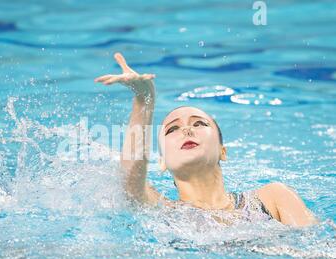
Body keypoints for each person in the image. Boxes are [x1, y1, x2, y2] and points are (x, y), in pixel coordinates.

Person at [94, 52, 317, 227]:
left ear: (223, 151)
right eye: (172, 129)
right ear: (161, 162)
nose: (187, 130)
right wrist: (144, 100)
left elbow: (321, 249)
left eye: (199, 123)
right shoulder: (160, 209)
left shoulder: (272, 198)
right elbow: (130, 181)